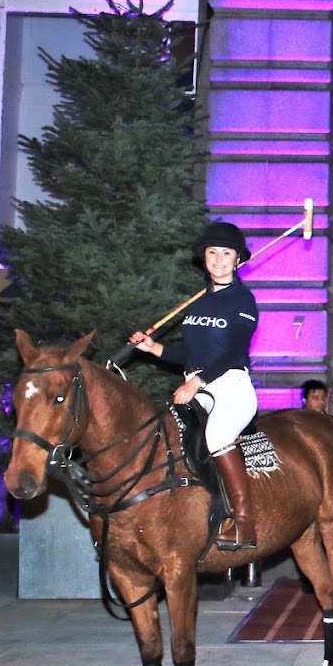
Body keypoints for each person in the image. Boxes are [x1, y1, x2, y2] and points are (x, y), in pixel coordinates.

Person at [129, 221, 259, 550]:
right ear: (203, 258)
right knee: (166, 433)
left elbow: (231, 352)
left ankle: (244, 523)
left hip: (231, 386)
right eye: (212, 252)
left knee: (216, 436)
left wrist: (197, 382)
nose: (218, 259)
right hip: (196, 385)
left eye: (226, 253)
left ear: (237, 260)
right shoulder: (197, 303)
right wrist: (154, 348)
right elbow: (189, 353)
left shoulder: (243, 301)